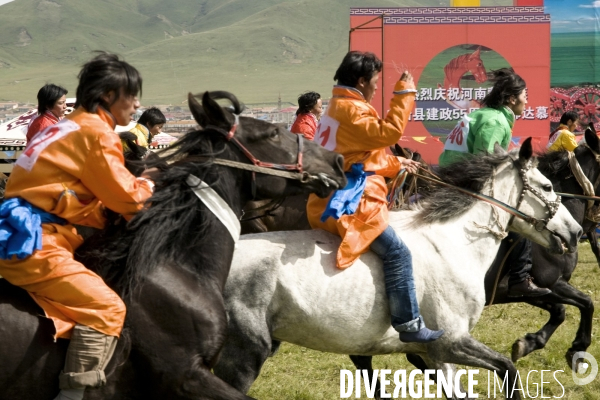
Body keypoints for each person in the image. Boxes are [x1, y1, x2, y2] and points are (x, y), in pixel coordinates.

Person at [0, 52, 154, 400]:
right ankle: (74, 396)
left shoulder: (61, 126)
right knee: (107, 308)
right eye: (131, 95)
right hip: (37, 245)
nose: (137, 104)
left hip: (19, 233)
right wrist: (150, 184)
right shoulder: (96, 134)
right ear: (109, 96)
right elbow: (130, 201)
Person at [307, 51, 444, 343]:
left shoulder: (337, 106)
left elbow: (358, 156)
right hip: (350, 199)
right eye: (376, 81)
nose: (377, 86)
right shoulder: (353, 110)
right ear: (361, 80)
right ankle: (408, 324)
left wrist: (396, 164)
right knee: (398, 252)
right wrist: (404, 93)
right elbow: (388, 133)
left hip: (334, 192)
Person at [438, 68, 551, 297]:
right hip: (462, 181)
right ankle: (520, 278)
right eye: (524, 95)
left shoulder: (485, 114)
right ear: (511, 99)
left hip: (452, 176)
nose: (527, 101)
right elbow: (484, 164)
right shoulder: (496, 121)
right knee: (519, 220)